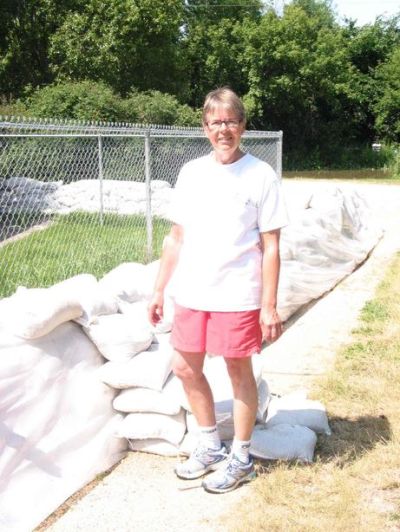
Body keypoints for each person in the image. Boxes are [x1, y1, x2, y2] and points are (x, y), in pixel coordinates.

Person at [148, 87, 288, 494]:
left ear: (242, 125)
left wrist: (269, 305)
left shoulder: (260, 174)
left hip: (237, 293)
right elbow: (176, 237)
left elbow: (272, 246)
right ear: (204, 128)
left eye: (230, 121)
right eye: (215, 122)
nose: (223, 129)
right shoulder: (192, 172)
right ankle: (209, 444)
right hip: (192, 292)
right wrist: (159, 290)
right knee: (185, 368)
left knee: (236, 371)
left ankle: (241, 457)